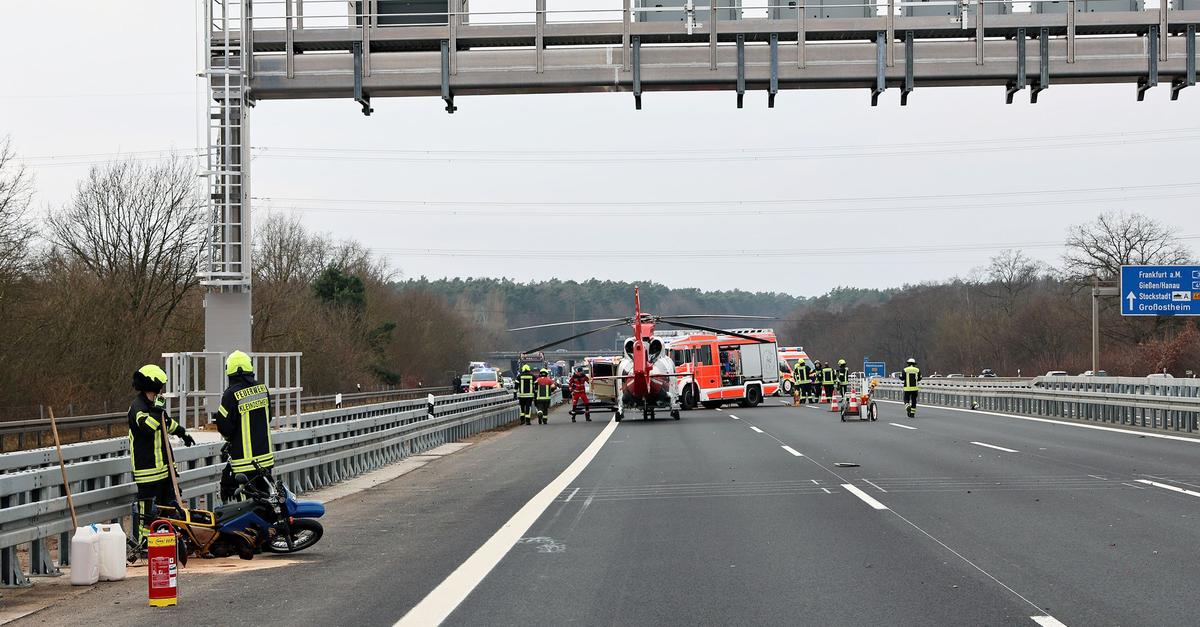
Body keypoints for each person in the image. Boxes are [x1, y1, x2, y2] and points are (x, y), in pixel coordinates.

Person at [128, 364, 194, 545]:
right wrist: (157, 410)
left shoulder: (153, 404)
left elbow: (165, 423)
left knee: (168, 509)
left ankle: (166, 541)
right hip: (147, 470)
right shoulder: (138, 406)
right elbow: (147, 428)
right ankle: (144, 543)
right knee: (148, 512)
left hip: (164, 470)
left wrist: (182, 432)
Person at [214, 351, 275, 502]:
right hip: (265, 460)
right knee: (267, 502)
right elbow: (268, 418)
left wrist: (231, 439)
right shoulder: (263, 389)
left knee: (247, 506)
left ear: (229, 371)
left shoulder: (230, 395)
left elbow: (224, 427)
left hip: (244, 464)